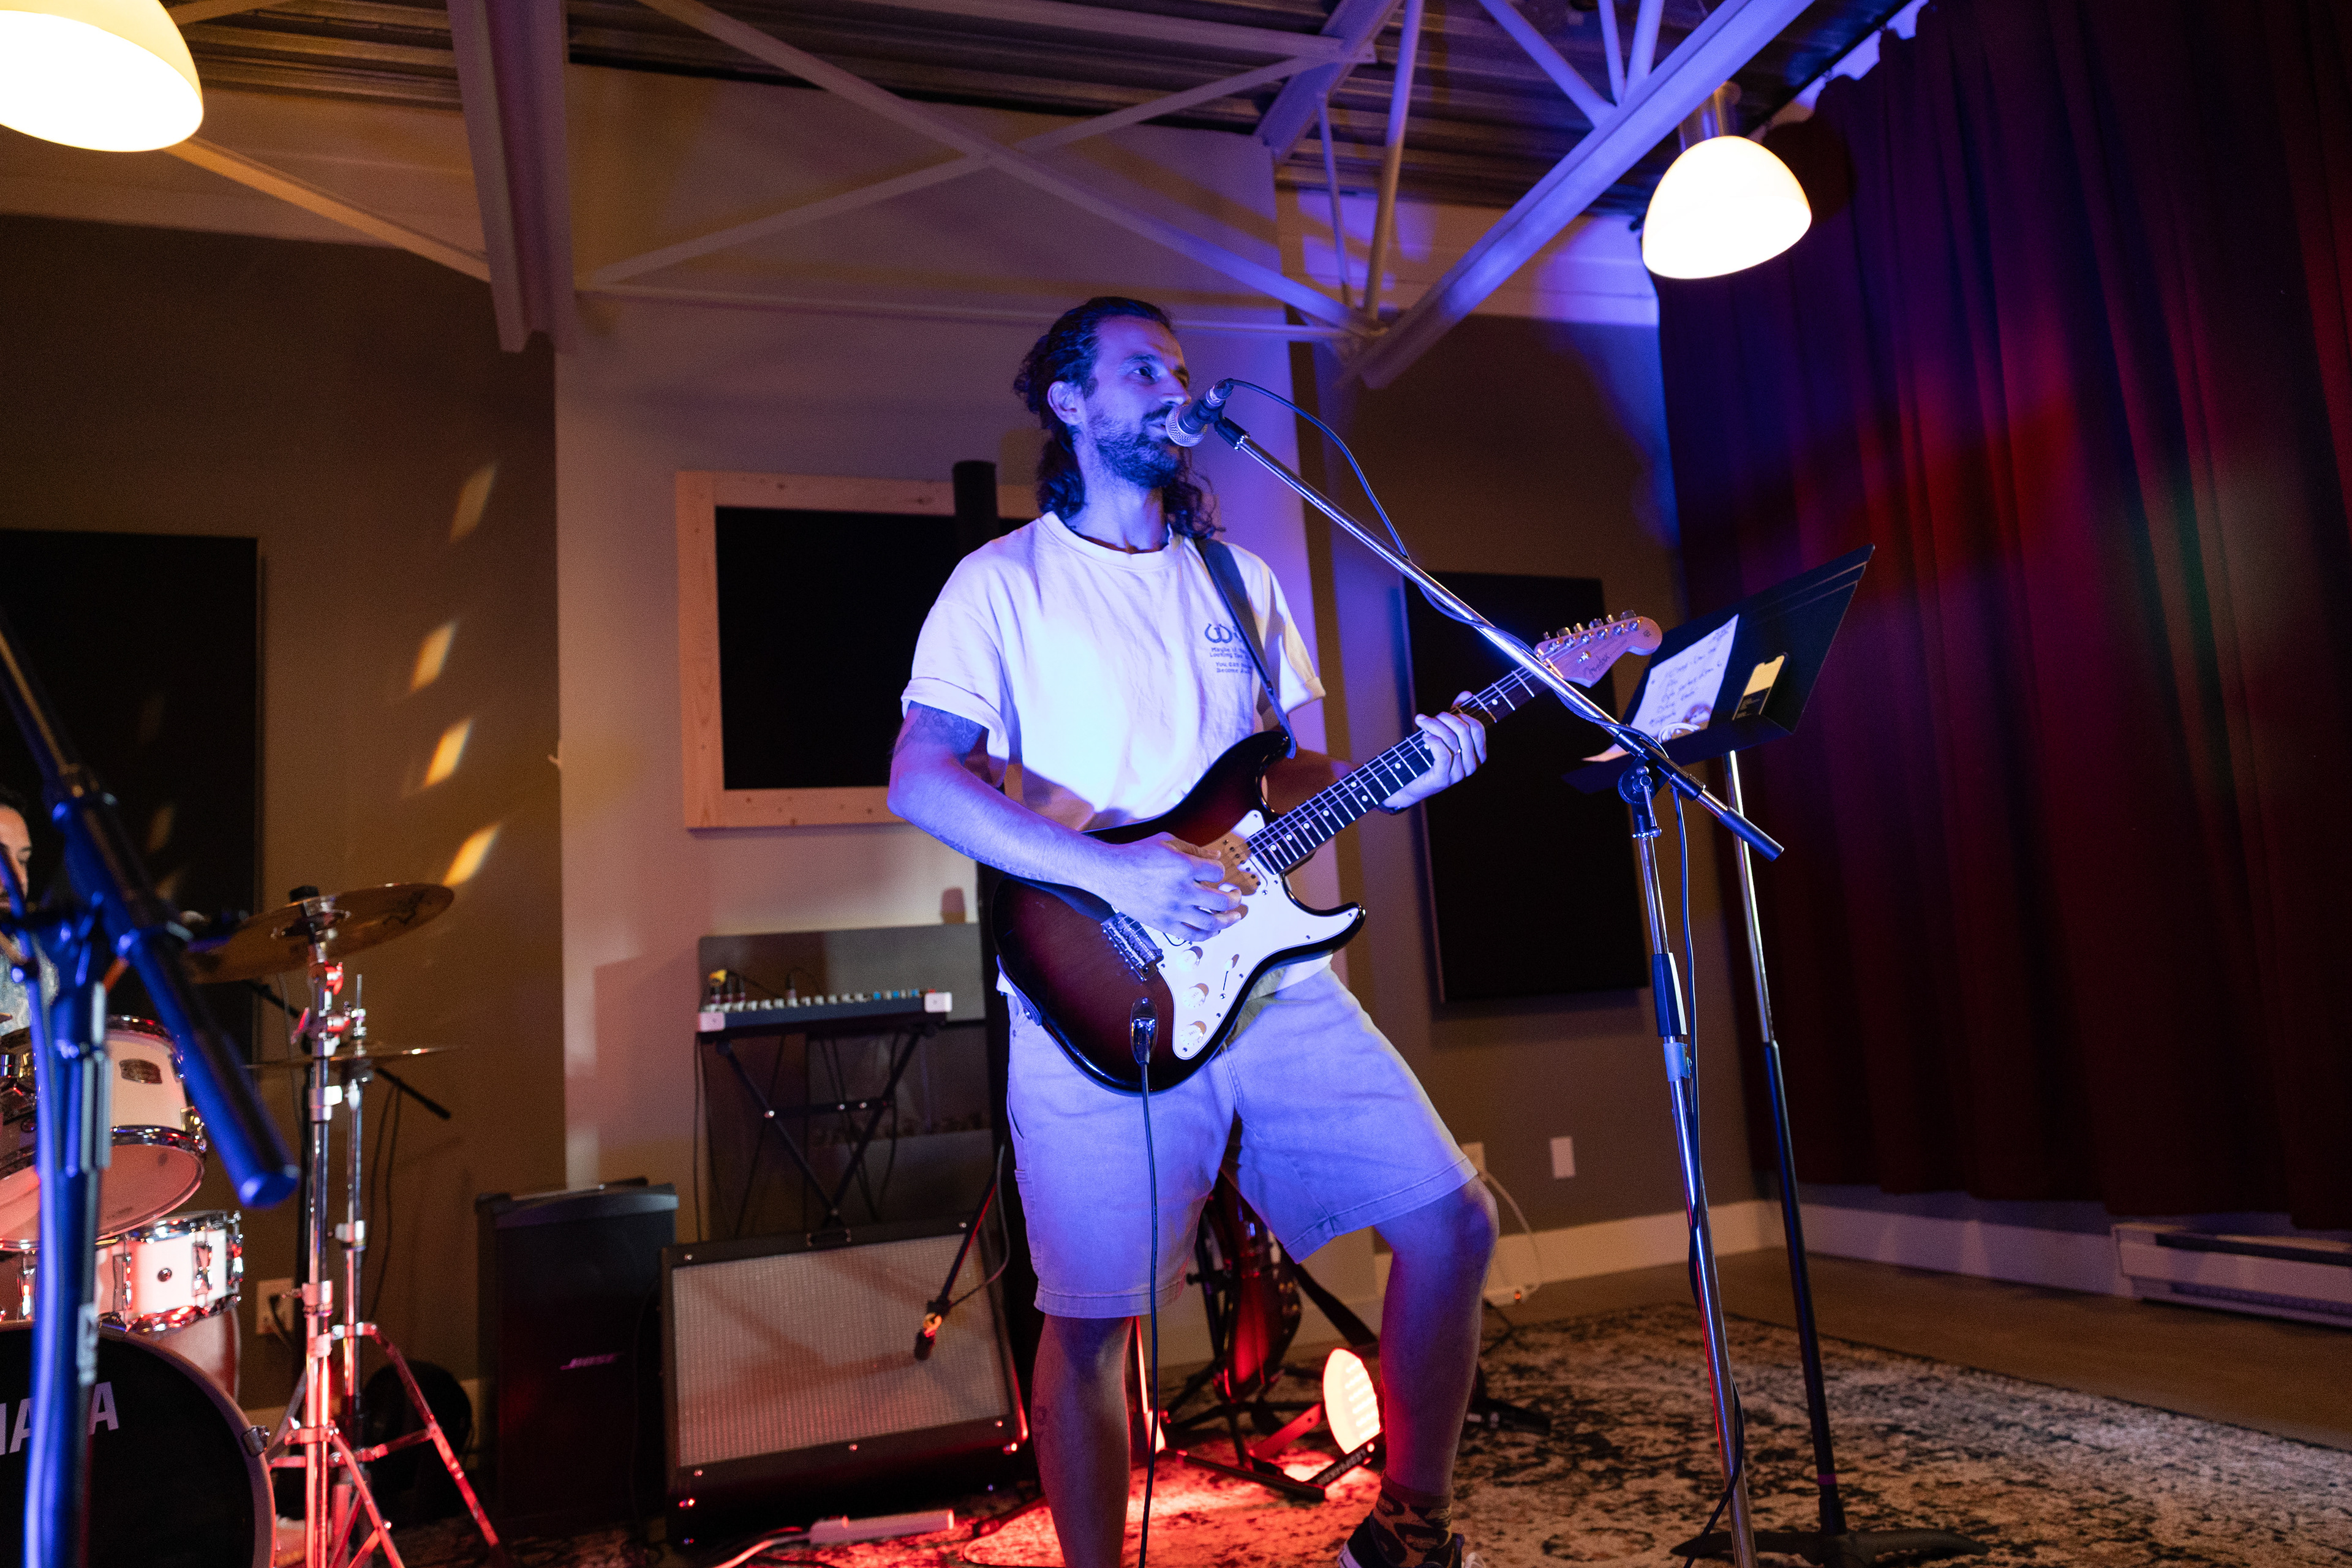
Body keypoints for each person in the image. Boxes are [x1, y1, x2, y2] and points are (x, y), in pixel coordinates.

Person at [889, 298, 1499, 1568]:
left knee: (1453, 1222)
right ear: (1069, 402)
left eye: (1178, 365)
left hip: (1272, 980)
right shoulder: (1000, 583)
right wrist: (1117, 878)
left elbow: (1287, 771)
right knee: (1092, 1322)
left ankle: (1410, 1525)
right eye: (1139, 368)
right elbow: (922, 779)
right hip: (1093, 989)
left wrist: (1404, 772)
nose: (1174, 384)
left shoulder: (1242, 578)